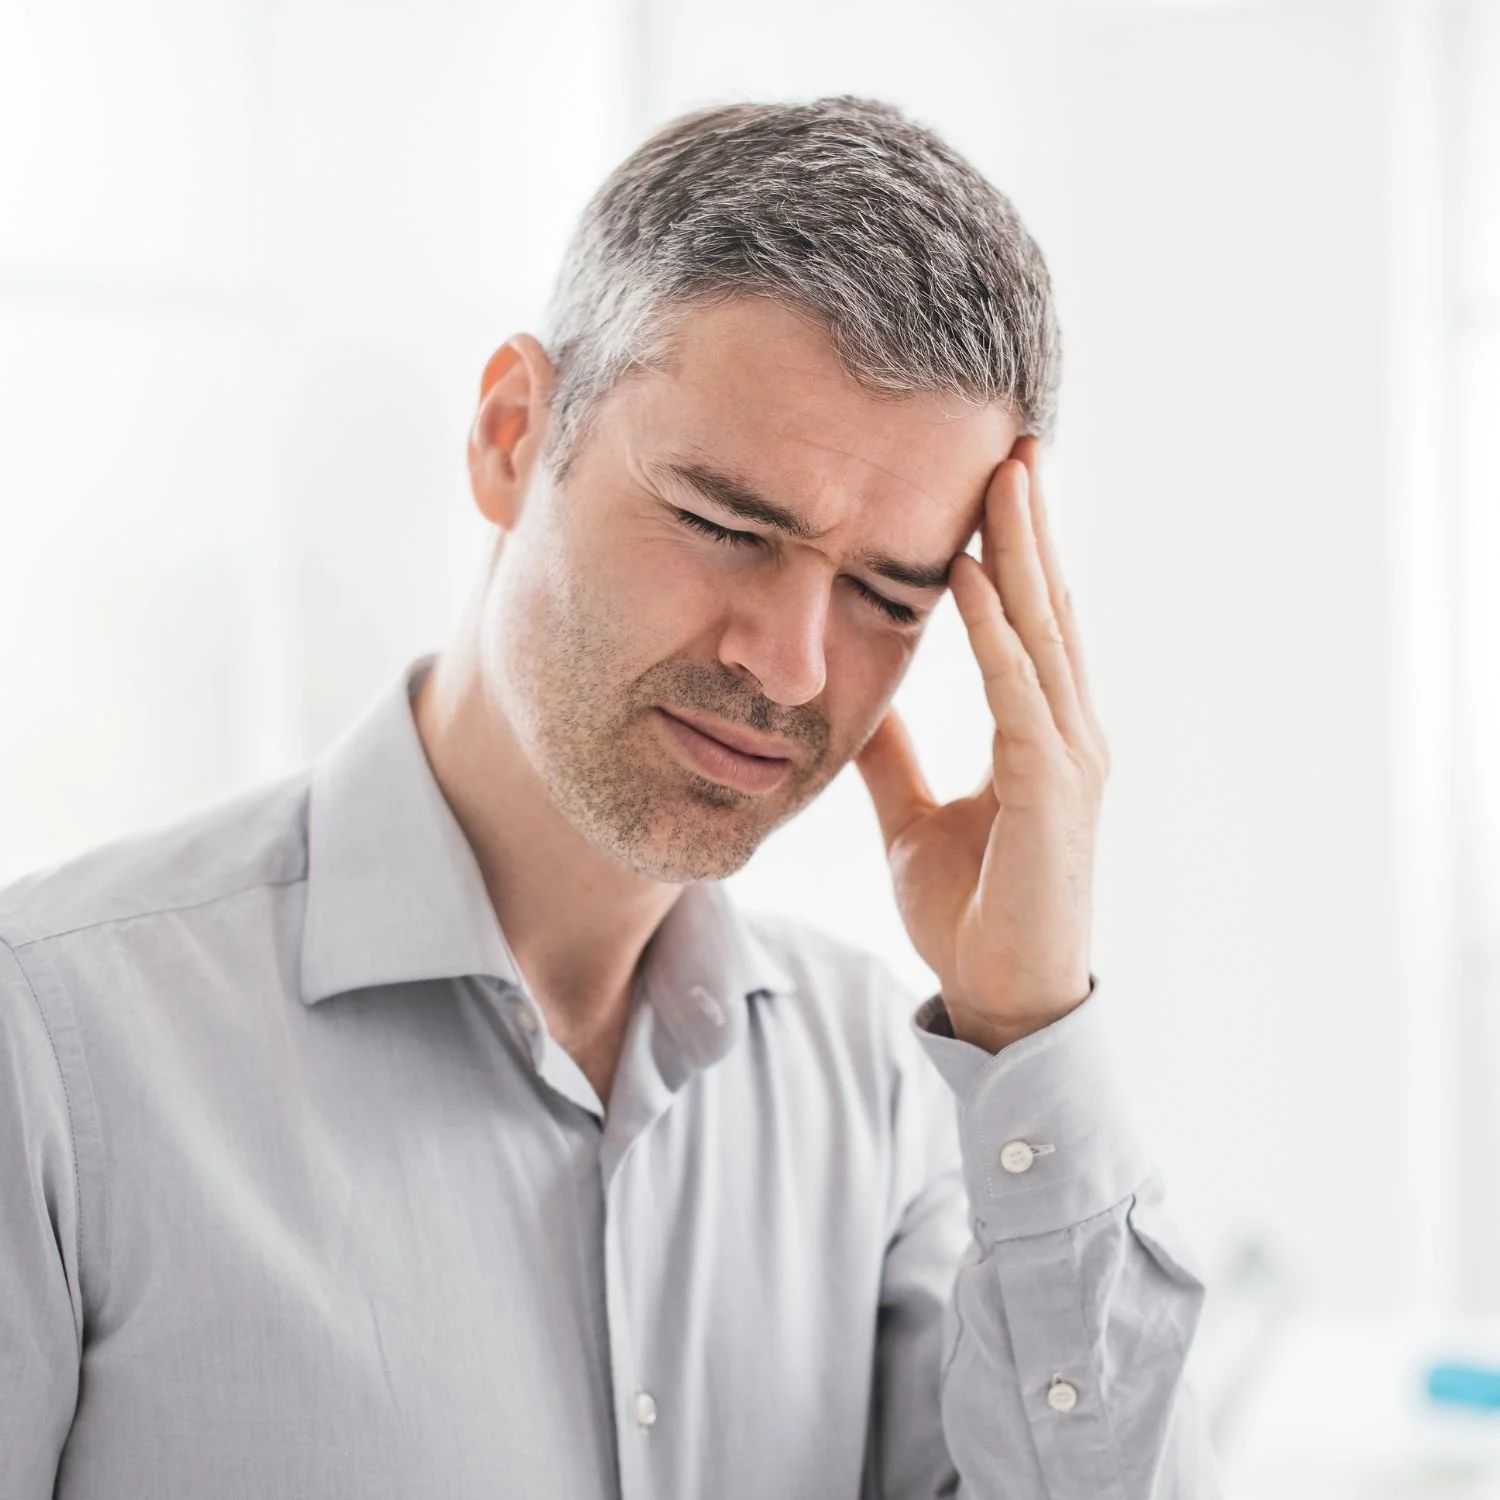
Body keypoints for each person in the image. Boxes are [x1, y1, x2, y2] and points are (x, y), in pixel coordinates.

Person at [0, 96, 1220, 1497]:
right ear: (513, 435)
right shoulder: (53, 1046)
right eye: (724, 525)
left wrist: (1031, 1022)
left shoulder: (884, 1101)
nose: (792, 663)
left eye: (891, 594)